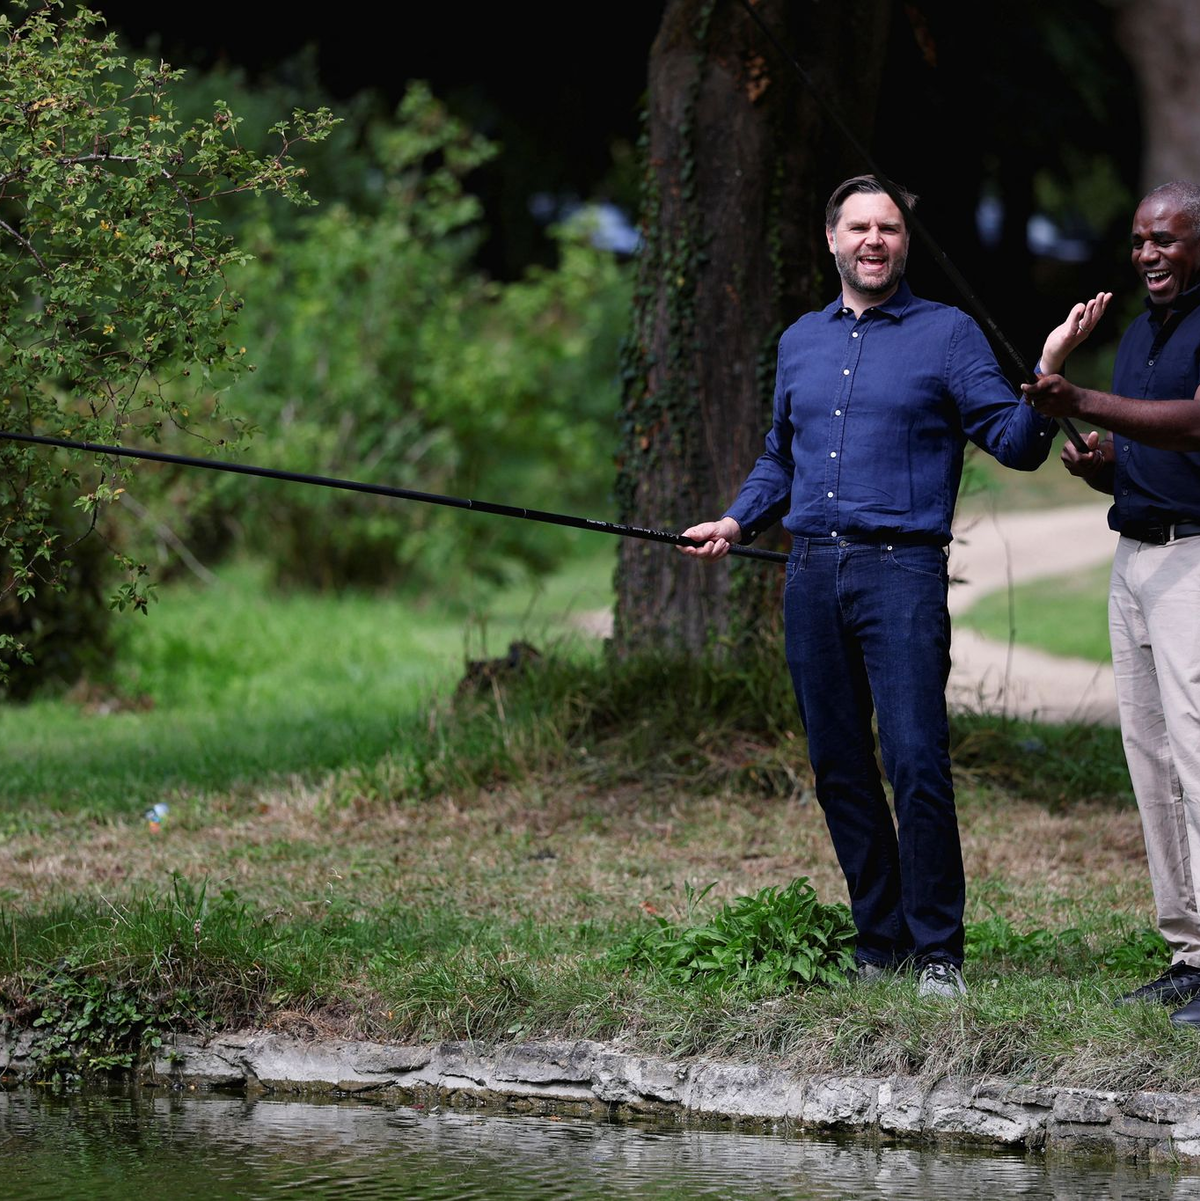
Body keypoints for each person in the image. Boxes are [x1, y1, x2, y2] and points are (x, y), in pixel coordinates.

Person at [681, 174, 1108, 997]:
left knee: (914, 759)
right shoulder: (799, 341)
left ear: (905, 243)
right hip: (810, 572)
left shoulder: (948, 335)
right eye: (859, 227)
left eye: (890, 228)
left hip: (902, 574)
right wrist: (736, 521)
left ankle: (938, 951)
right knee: (838, 764)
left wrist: (1050, 368)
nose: (874, 240)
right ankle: (880, 943)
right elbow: (779, 456)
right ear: (831, 239)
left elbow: (1016, 443)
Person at [1022, 180, 1200, 1026]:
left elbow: (1193, 425)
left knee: (1197, 758)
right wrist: (1107, 468)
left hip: (1193, 562)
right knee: (1152, 761)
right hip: (1133, 559)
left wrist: (1081, 398)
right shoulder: (1136, 336)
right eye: (1138, 240)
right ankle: (1188, 952)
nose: (1147, 254)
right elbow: (1151, 451)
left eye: (1165, 238)